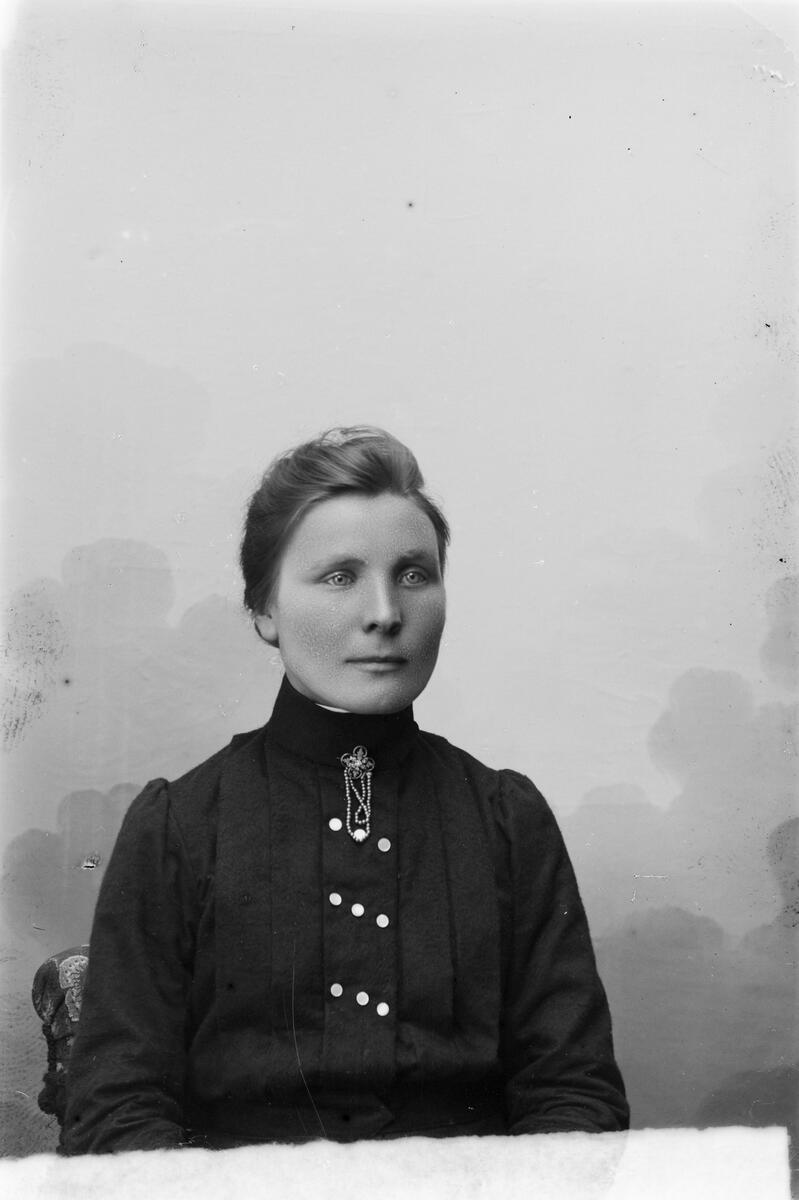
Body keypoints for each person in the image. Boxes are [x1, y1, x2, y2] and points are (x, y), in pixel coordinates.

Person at [62, 426, 629, 1153]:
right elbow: (116, 1107)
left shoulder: (506, 819)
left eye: (414, 575)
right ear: (264, 610)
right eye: (339, 577)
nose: (385, 613)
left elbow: (573, 1093)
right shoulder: (181, 825)